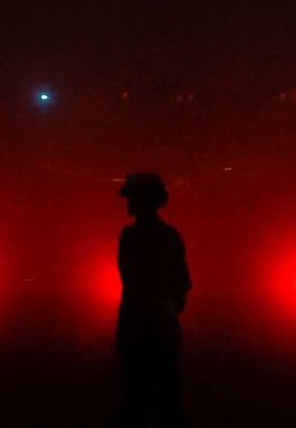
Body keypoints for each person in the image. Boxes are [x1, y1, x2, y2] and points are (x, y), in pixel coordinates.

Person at [115, 173, 191, 427]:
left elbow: (132, 279)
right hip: (158, 325)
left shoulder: (131, 237)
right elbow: (182, 281)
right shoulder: (168, 235)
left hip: (138, 326)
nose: (128, 203)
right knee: (166, 396)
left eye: (132, 198)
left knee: (136, 398)